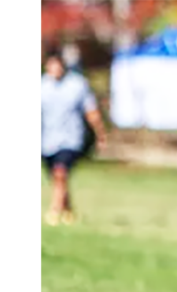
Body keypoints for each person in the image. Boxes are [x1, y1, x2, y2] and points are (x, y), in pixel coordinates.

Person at [39, 49, 107, 226]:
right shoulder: (43, 86)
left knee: (60, 173)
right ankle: (68, 209)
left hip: (71, 138)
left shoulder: (77, 85)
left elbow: (91, 111)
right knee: (57, 177)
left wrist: (100, 134)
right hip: (47, 140)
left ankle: (54, 211)